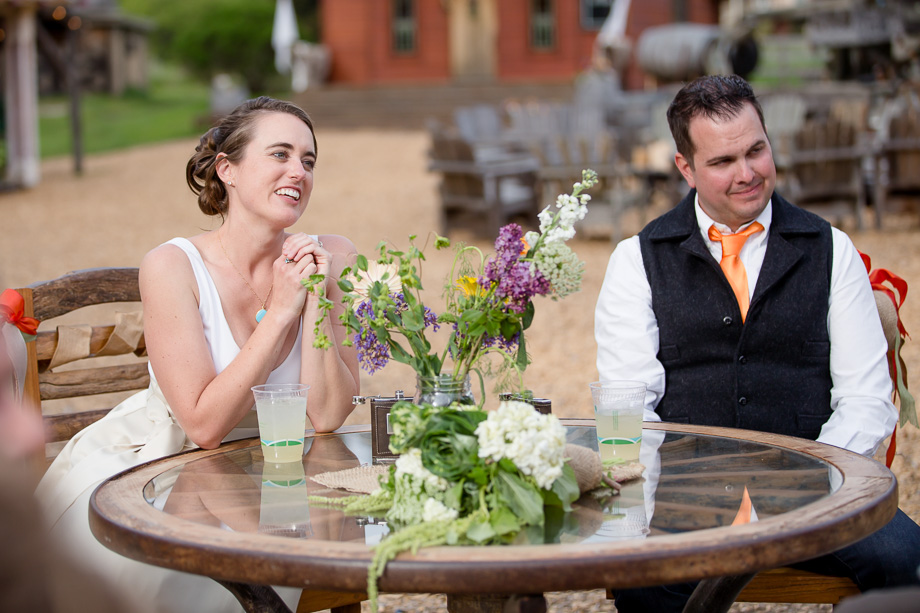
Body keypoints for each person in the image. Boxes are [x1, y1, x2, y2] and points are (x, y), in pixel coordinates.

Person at [594, 74, 920, 612]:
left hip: (819, 489)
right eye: (723, 162)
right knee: (642, 579)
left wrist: (816, 492)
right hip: (687, 494)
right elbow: (629, 407)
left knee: (908, 564)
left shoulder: (830, 248)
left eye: (756, 151)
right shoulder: (637, 260)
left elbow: (865, 398)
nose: (747, 174)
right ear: (686, 168)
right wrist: (640, 514)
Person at [36, 96, 360, 612]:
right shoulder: (171, 266)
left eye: (308, 160)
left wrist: (316, 300)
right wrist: (279, 313)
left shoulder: (332, 254)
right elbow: (204, 428)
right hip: (167, 462)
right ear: (226, 169)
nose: (298, 171)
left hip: (280, 473)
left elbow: (326, 416)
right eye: (280, 154)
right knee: (187, 584)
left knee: (304, 545)